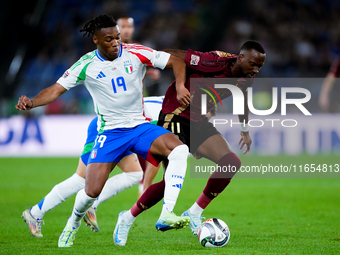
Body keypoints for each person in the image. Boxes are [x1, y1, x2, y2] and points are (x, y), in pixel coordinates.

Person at [16, 14, 191, 248]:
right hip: (109, 133)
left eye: (117, 37)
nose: (115, 43)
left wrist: (180, 86)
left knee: (179, 150)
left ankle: (167, 213)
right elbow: (56, 90)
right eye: (109, 39)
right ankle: (73, 222)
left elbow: (176, 61)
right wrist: (32, 103)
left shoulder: (136, 51)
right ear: (96, 40)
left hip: (139, 127)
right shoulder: (86, 64)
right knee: (90, 190)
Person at [113, 41, 266, 244]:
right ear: (240, 58)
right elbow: (177, 55)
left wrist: (245, 130)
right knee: (169, 181)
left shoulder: (246, 79)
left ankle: (194, 212)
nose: (255, 70)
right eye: (253, 64)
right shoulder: (214, 61)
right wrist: (156, 64)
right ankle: (126, 218)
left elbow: (241, 99)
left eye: (259, 67)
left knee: (231, 163)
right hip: (174, 115)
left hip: (198, 121)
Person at [117, 15, 162, 197]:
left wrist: (152, 72)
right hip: (117, 108)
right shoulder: (110, 50)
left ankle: (144, 185)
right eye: (123, 26)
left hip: (138, 104)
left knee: (153, 143)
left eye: (129, 27)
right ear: (117, 29)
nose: (126, 30)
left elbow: (148, 65)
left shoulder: (137, 49)